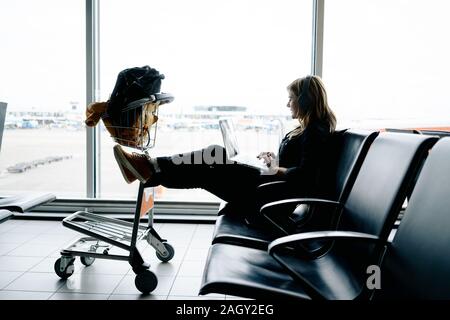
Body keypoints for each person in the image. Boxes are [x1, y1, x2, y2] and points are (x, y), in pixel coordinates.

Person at [113, 75, 337, 217]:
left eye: (291, 98)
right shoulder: (309, 129)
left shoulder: (315, 132)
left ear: (305, 100)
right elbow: (300, 165)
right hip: (267, 187)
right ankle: (151, 170)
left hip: (268, 197)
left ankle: (150, 169)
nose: (288, 103)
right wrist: (274, 160)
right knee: (211, 159)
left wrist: (276, 169)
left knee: (212, 158)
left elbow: (306, 178)